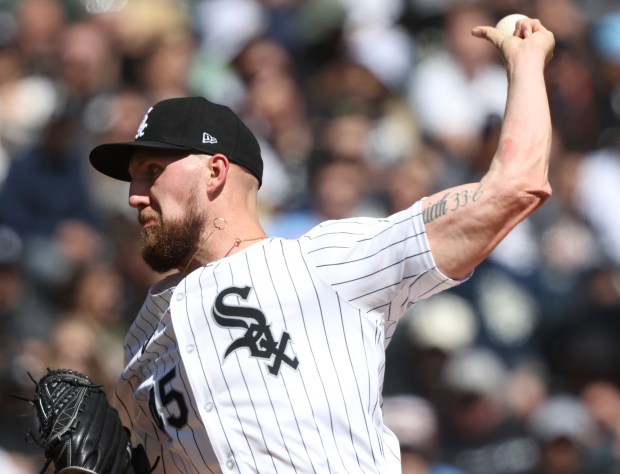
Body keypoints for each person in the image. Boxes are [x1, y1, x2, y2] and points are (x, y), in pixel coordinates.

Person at [87, 16, 555, 474]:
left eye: (152, 171)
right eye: (133, 178)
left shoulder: (324, 264)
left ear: (215, 172)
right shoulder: (138, 349)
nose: (134, 195)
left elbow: (513, 189)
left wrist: (526, 63)